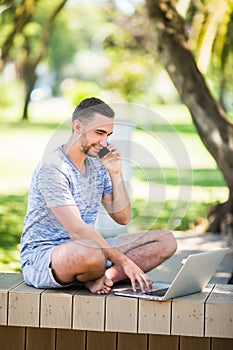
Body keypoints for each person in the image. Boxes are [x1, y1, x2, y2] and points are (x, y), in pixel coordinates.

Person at [20, 97, 177, 294]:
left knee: (166, 240)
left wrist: (115, 172)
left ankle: (105, 278)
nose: (104, 142)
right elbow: (77, 230)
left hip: (90, 248)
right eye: (99, 133)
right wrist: (125, 262)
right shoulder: (53, 168)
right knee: (92, 253)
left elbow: (122, 217)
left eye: (108, 135)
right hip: (45, 257)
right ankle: (97, 272)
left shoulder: (96, 164)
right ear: (77, 127)